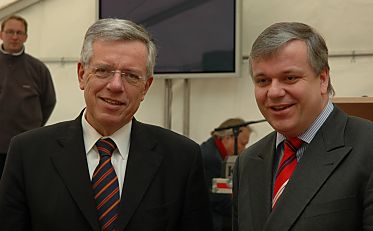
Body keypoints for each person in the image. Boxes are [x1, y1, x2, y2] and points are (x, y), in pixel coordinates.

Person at [0, 18, 213, 231]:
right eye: (103, 70)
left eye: (131, 75)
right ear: (82, 75)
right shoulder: (28, 154)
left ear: (145, 87)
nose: (116, 85)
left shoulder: (182, 159)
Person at [232, 22, 373, 231]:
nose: (273, 92)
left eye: (289, 78)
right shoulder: (248, 162)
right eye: (263, 80)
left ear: (323, 79)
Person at [0, 15, 56, 177]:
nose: (15, 37)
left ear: (26, 37)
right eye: (10, 32)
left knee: (21, 194)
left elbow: (49, 102)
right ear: (1, 34)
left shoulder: (38, 69)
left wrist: (33, 129)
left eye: (19, 33)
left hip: (26, 146)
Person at [201, 118, 251, 231]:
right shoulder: (210, 159)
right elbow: (218, 200)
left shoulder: (214, 152)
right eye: (243, 144)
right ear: (228, 138)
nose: (244, 149)